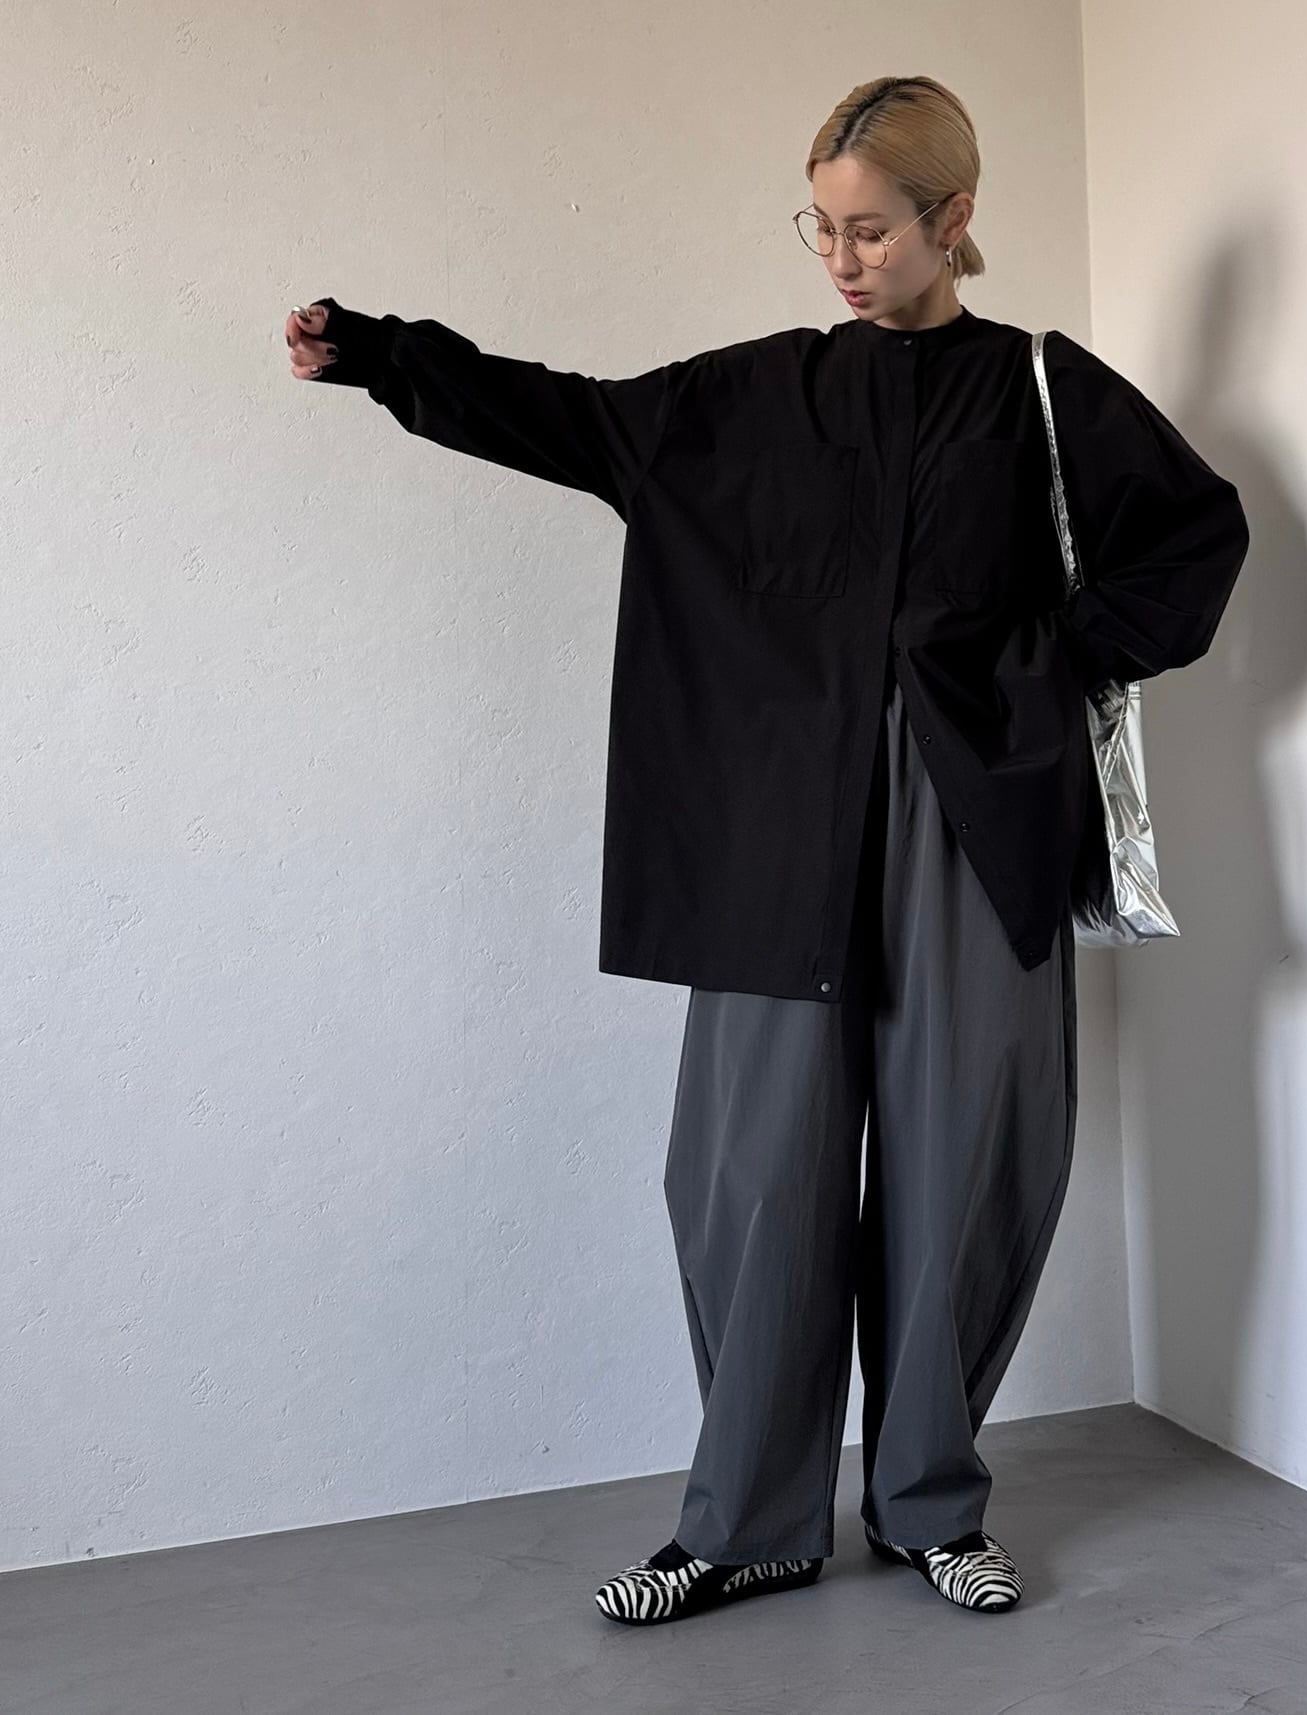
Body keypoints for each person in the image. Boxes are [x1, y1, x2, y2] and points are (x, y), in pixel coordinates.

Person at [284, 74, 1249, 1626]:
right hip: (777, 834)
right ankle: (747, 1524)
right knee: (750, 1173)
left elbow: (1194, 537)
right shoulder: (761, 395)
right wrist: (388, 357)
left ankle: (929, 1504)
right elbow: (579, 423)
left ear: (955, 219)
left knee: (963, 1158)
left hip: (970, 823)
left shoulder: (1043, 390)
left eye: (874, 230)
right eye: (823, 228)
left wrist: (1045, 664)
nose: (843, 260)